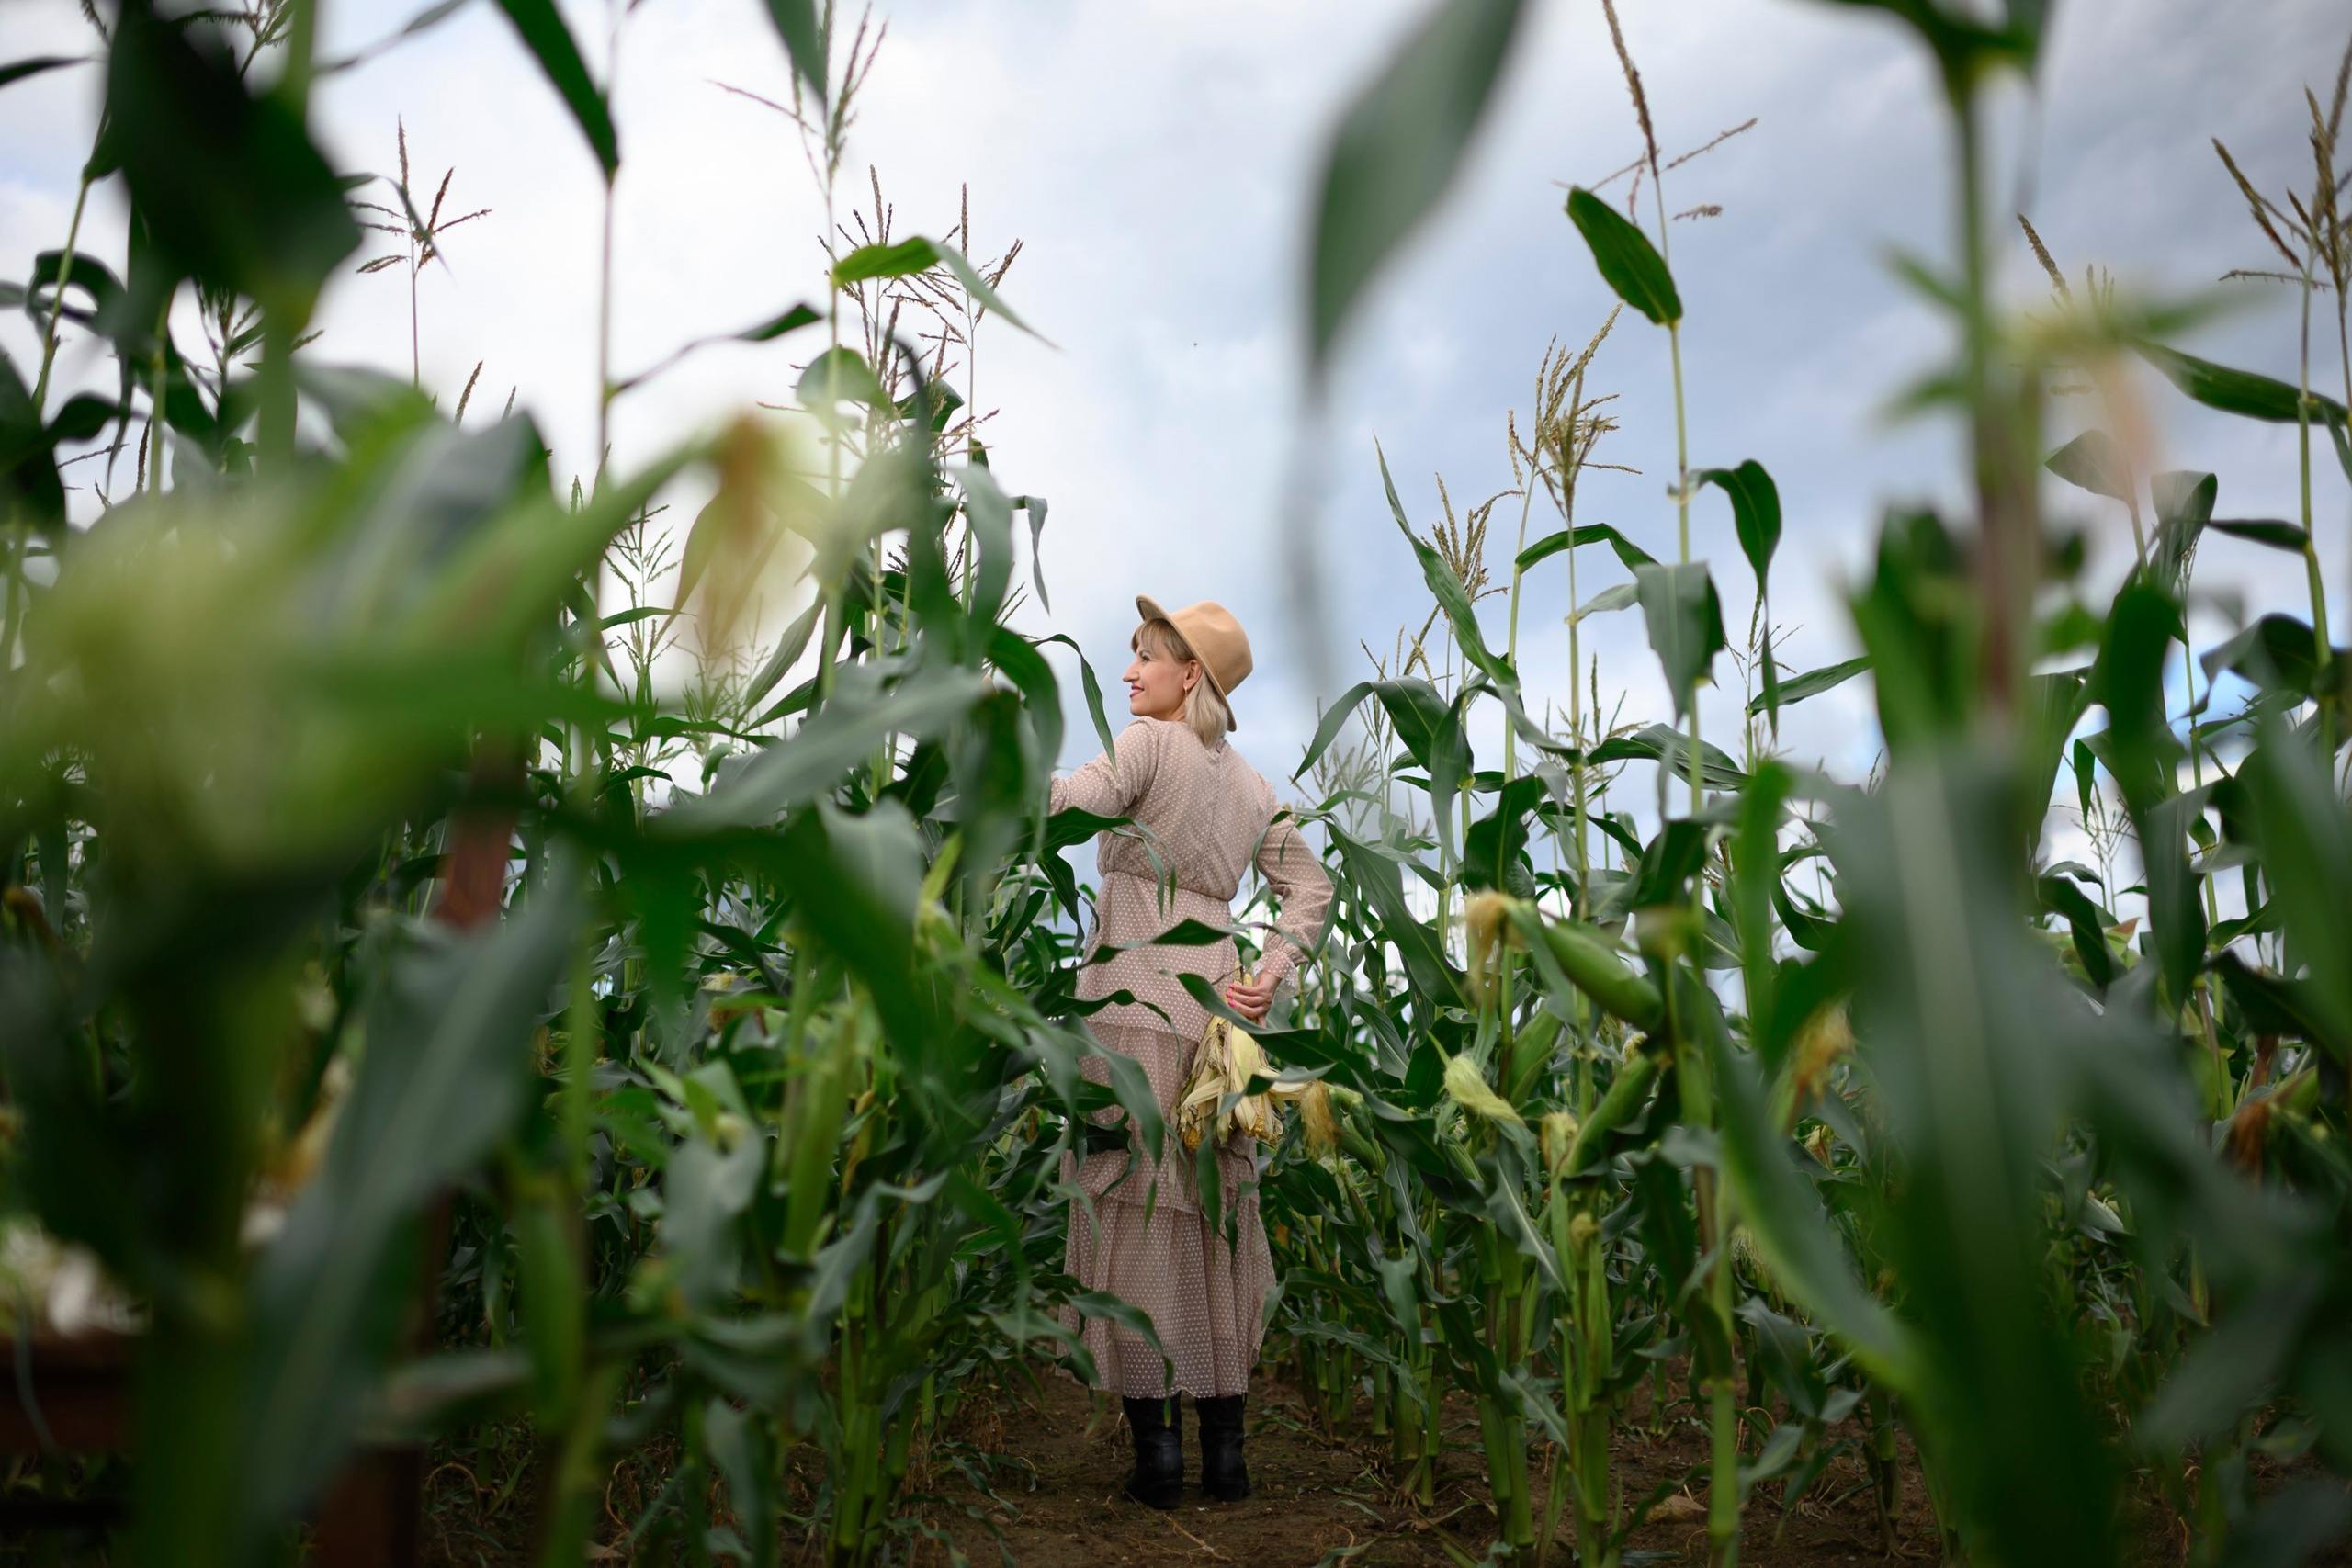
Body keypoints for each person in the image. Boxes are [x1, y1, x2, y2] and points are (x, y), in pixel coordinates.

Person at [1047, 595, 1332, 1510]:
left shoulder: (1144, 746)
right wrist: (1273, 968)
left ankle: (1158, 1459)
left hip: (1130, 1001)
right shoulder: (1252, 785)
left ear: (1189, 678)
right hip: (1216, 1017)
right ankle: (1227, 1456)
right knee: (1212, 1216)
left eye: (1145, 658)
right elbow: (1310, 886)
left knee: (1134, 1217)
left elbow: (1071, 802)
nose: (1128, 673)